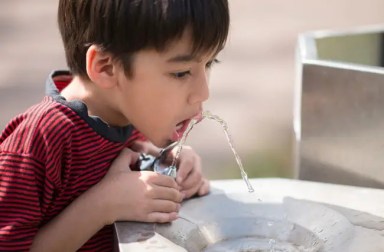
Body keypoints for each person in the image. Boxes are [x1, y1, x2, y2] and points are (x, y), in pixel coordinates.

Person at [0, 0, 230, 251]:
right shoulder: (41, 140)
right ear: (106, 68)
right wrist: (103, 205)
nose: (203, 92)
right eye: (181, 72)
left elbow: (139, 158)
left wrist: (173, 161)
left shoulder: (128, 117)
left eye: (208, 64)